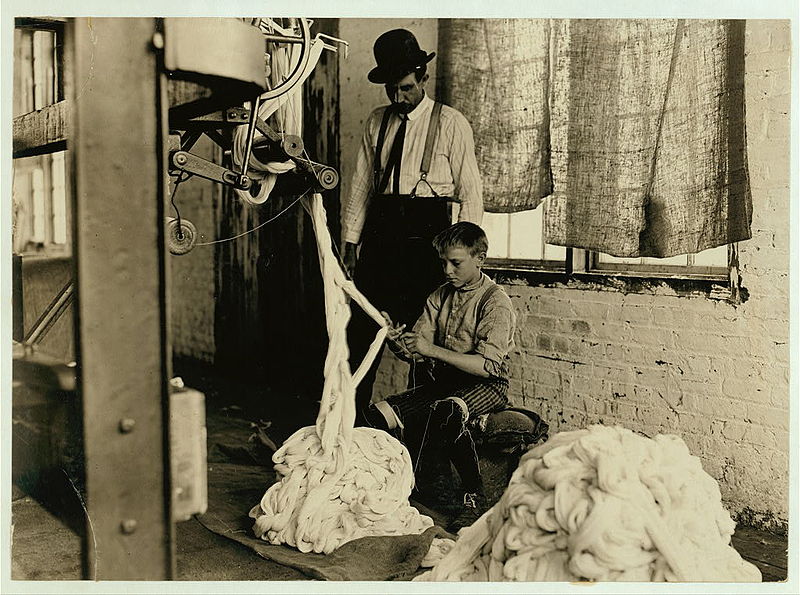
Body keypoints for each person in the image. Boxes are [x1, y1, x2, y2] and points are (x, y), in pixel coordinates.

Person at [341, 29, 484, 424]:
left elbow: (471, 192)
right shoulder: (377, 122)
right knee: (361, 336)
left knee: (425, 344)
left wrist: (467, 255)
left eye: (405, 88)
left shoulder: (452, 124)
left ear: (422, 77)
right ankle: (351, 432)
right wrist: (351, 241)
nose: (398, 98)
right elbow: (362, 185)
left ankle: (423, 439)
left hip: (428, 245)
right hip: (381, 242)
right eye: (392, 90)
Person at [364, 222, 516, 529]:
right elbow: (418, 350)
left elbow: (486, 366)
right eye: (443, 262)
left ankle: (475, 498)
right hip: (445, 383)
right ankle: (395, 487)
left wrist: (429, 350)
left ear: (480, 259)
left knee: (447, 411)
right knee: (375, 416)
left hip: (486, 385)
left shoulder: (495, 302)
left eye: (456, 263)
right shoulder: (439, 296)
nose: (447, 270)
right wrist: (397, 342)